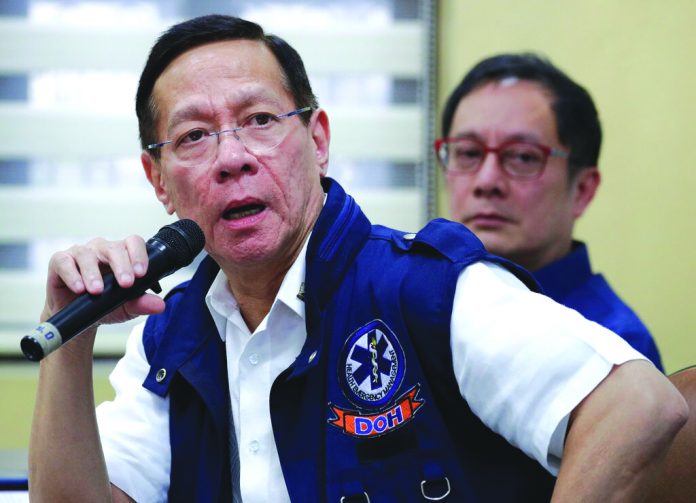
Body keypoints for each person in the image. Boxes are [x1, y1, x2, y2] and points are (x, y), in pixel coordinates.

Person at [28, 15, 686, 503]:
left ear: (317, 139)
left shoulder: (424, 289)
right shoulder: (169, 336)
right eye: (195, 135)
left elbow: (638, 405)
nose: (231, 158)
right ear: (158, 179)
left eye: (259, 119)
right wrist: (70, 336)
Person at [438, 53, 664, 370]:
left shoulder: (613, 350)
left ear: (582, 190)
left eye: (523, 157)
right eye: (469, 153)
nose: (487, 181)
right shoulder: (419, 307)